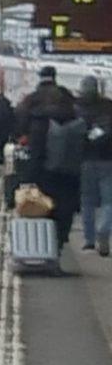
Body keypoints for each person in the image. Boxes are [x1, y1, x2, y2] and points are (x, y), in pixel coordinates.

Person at [32, 78, 87, 253]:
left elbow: (37, 150)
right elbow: (85, 148)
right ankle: (60, 242)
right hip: (71, 175)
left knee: (46, 209)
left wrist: (31, 176)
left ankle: (47, 246)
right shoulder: (80, 122)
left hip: (47, 173)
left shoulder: (42, 120)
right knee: (66, 211)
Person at [81, 76, 112, 257]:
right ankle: (104, 228)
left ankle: (89, 240)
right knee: (109, 201)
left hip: (85, 160)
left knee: (87, 201)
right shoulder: (109, 106)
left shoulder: (77, 108)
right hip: (108, 159)